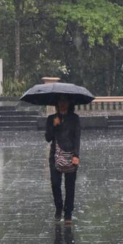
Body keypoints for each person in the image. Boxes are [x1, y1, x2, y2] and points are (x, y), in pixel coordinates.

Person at [45, 96, 81, 225]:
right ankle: (58, 207)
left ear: (69, 103)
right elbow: (47, 138)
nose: (62, 104)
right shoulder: (51, 119)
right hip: (55, 156)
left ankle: (68, 213)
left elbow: (77, 137)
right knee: (55, 184)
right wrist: (54, 126)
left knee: (70, 186)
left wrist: (76, 155)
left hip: (71, 155)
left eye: (65, 101)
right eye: (60, 101)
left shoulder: (75, 119)